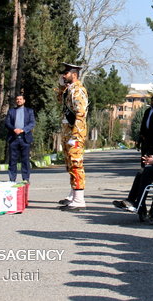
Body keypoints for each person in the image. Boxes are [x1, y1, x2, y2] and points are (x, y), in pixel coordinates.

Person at [57, 63, 89, 211]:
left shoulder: (78, 91)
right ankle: (73, 194)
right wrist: (61, 88)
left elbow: (80, 114)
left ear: (74, 74)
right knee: (70, 164)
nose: (64, 76)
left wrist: (76, 136)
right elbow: (60, 103)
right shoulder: (68, 90)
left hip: (75, 133)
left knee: (76, 164)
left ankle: (79, 199)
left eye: (66, 73)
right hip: (67, 132)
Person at [112, 147, 153, 213]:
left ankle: (139, 204)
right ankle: (131, 200)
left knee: (147, 172)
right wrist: (151, 158)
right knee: (141, 172)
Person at [5, 94, 36, 182]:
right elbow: (7, 123)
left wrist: (23, 130)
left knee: (25, 160)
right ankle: (12, 179)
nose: (19, 101)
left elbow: (32, 123)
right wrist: (14, 129)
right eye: (17, 99)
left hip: (25, 139)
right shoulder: (11, 111)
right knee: (12, 160)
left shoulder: (29, 111)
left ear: (24, 101)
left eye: (20, 99)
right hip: (13, 138)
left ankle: (25, 178)